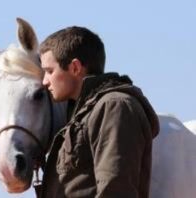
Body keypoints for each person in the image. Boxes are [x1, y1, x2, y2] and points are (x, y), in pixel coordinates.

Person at [38, 26, 160, 198]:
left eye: (50, 71)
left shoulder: (114, 106)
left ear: (75, 68)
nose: (44, 81)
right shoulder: (85, 113)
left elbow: (116, 189)